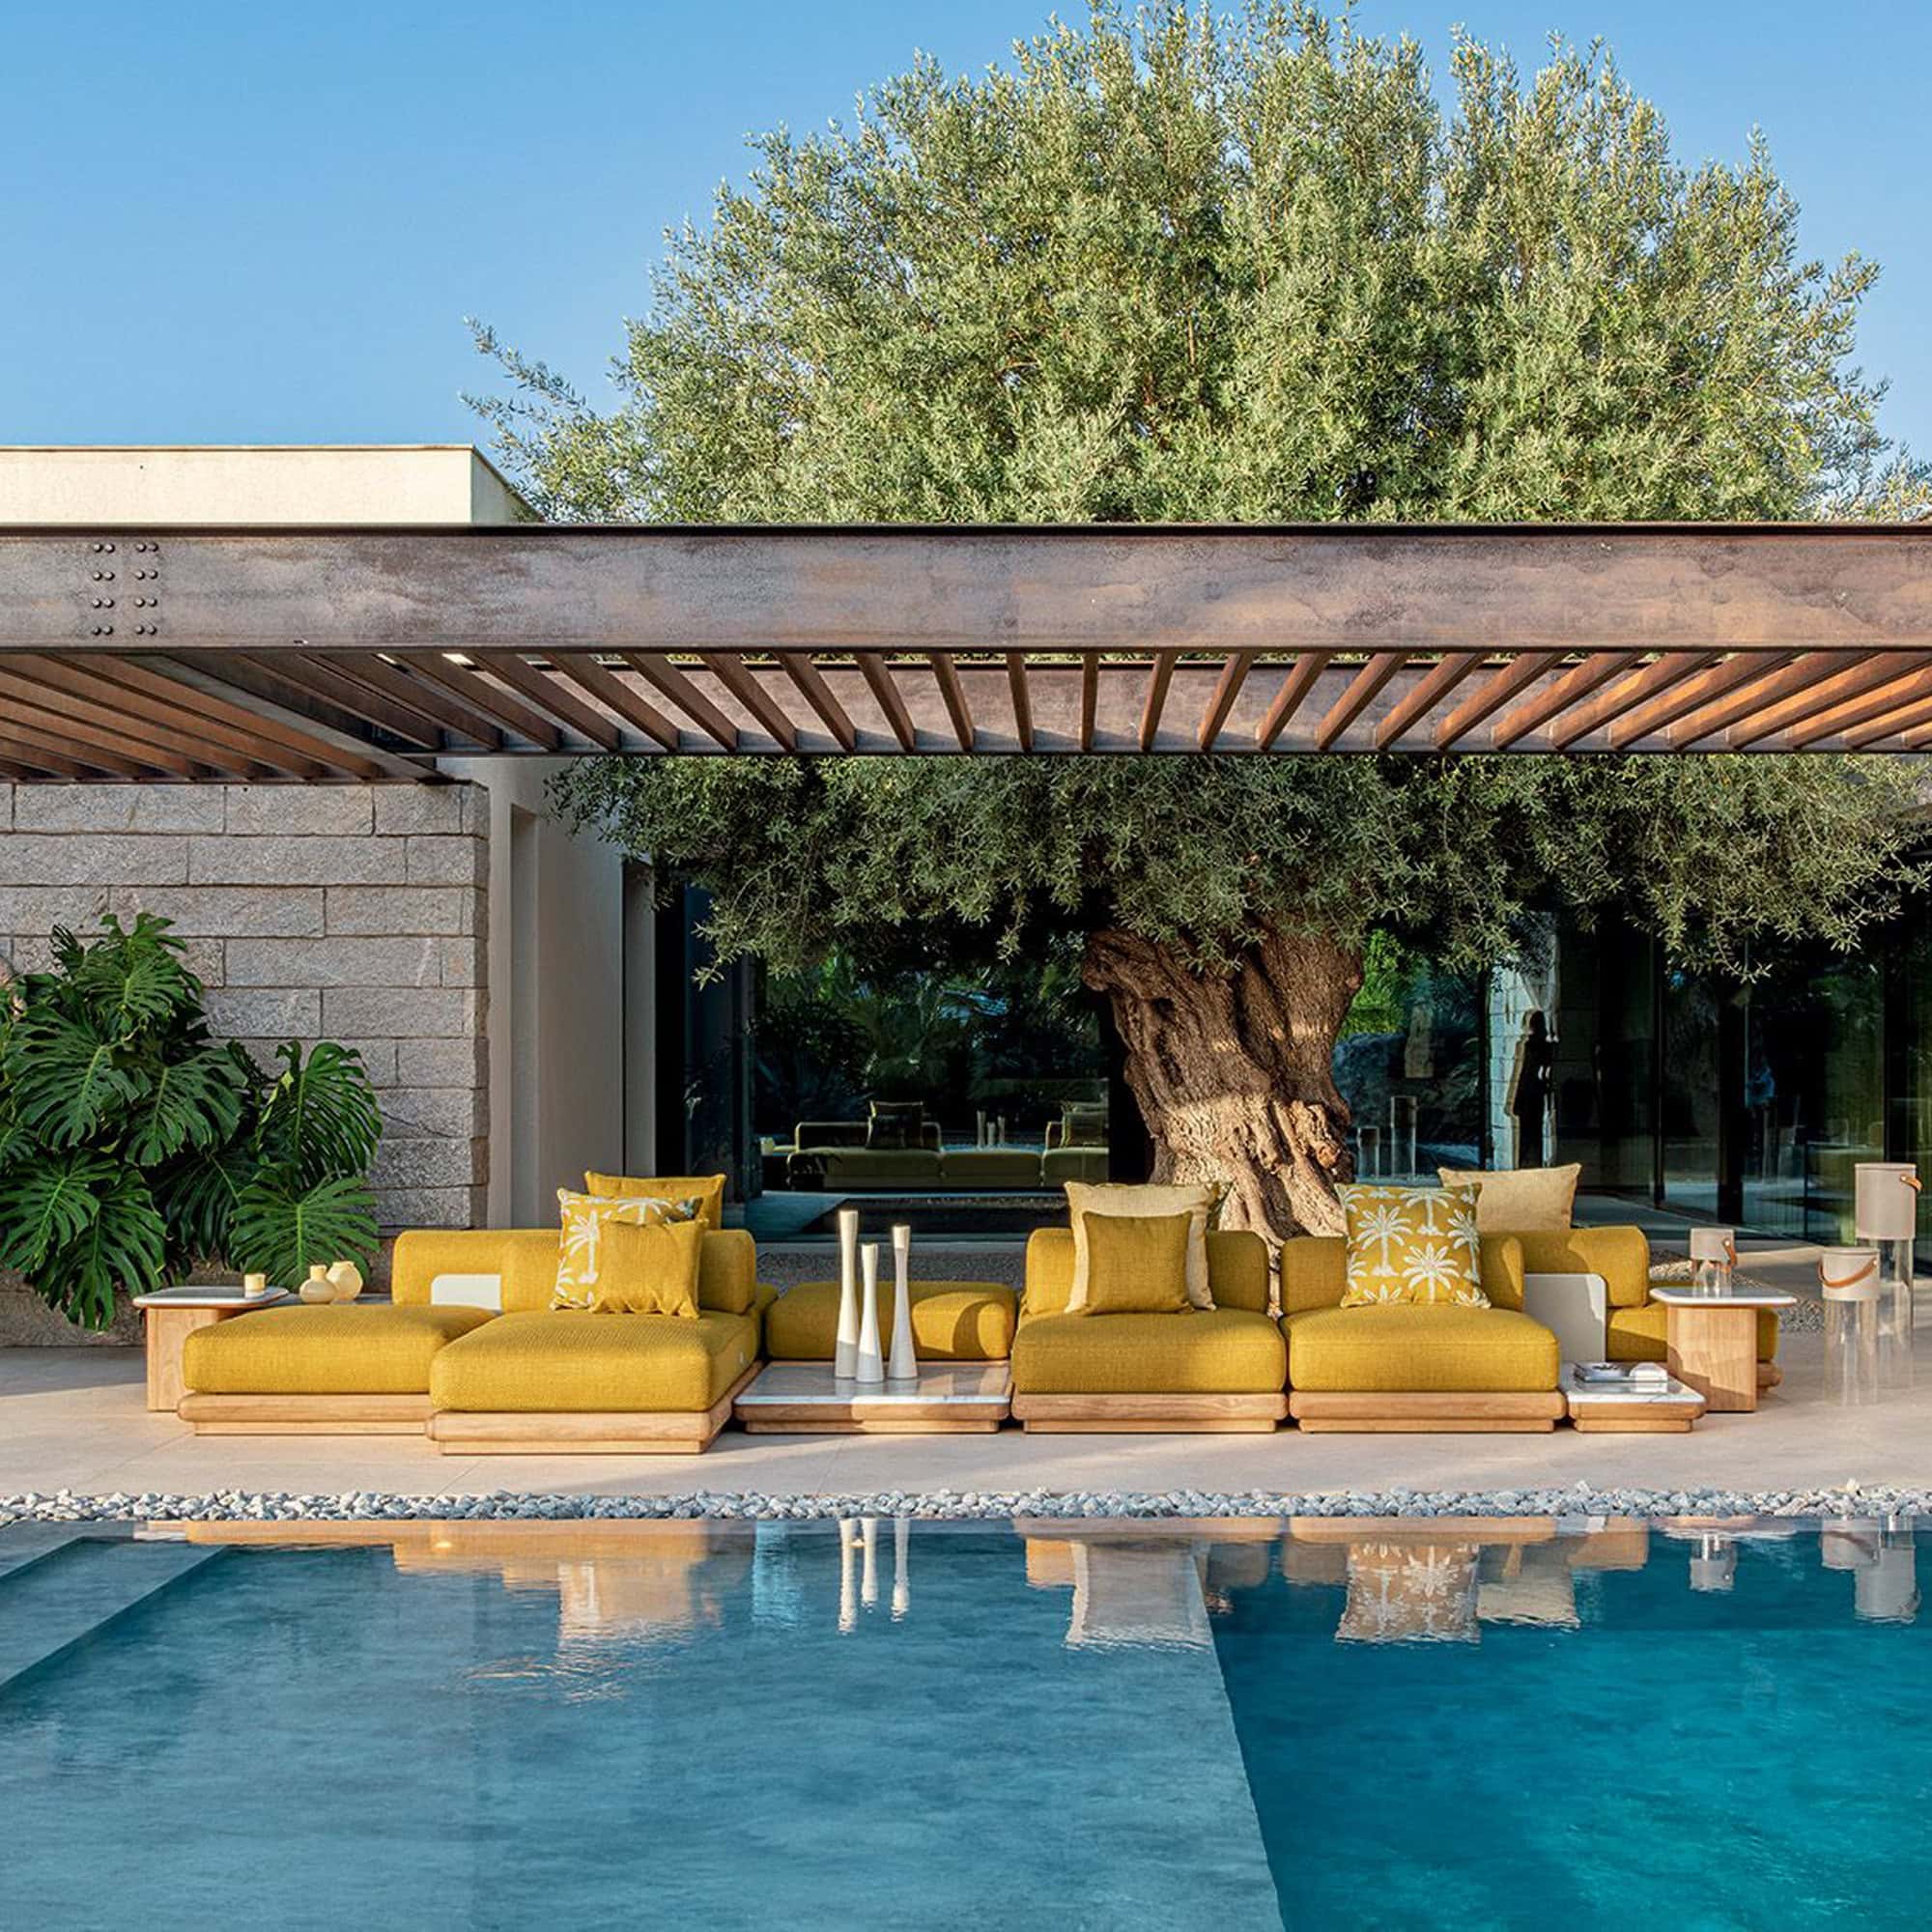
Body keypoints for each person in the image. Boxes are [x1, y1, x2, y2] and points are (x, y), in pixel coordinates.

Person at [1509, 1010, 1554, 1169]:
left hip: (1528, 1092)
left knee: (1526, 1134)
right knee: (1536, 1133)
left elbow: (1525, 1073)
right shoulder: (1548, 1047)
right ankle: (1535, 1164)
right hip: (1538, 1093)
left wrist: (1516, 1100)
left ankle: (1526, 1165)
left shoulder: (1529, 1045)